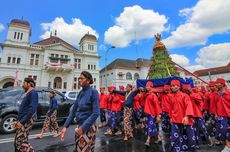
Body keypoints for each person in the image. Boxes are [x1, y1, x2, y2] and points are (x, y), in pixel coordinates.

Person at [61, 71, 100, 152]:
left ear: (88, 80)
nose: (79, 80)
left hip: (88, 127)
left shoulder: (93, 92)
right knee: (77, 149)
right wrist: (65, 127)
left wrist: (83, 128)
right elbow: (73, 111)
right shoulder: (80, 93)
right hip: (80, 126)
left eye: (82, 78)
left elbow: (96, 113)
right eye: (79, 78)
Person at [169, 80, 196, 152]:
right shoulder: (171, 97)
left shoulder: (185, 96)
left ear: (178, 86)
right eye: (171, 86)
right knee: (175, 137)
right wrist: (171, 117)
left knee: (190, 137)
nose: (172, 87)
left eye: (174, 86)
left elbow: (188, 106)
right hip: (175, 120)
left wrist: (187, 116)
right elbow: (171, 108)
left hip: (185, 120)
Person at [13, 77, 38, 152]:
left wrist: (22, 121)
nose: (22, 85)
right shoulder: (27, 93)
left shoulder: (33, 93)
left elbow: (32, 109)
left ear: (29, 84)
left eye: (24, 83)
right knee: (19, 139)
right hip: (23, 118)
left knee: (20, 141)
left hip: (28, 118)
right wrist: (18, 121)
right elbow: (23, 108)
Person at [182, 84, 210, 148]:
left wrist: (192, 94)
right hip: (189, 115)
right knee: (194, 130)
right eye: (185, 90)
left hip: (197, 114)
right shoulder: (184, 96)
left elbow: (200, 102)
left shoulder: (195, 95)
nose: (186, 91)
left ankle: (208, 139)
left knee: (202, 128)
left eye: (187, 89)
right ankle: (197, 143)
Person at [144, 81, 162, 147]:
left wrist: (158, 115)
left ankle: (148, 140)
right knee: (153, 126)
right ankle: (159, 138)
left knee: (150, 126)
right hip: (148, 113)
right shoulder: (147, 94)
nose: (146, 87)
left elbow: (157, 105)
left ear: (151, 87)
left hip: (152, 113)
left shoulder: (153, 95)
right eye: (146, 86)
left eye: (148, 86)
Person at [215, 78, 230, 152]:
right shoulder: (216, 94)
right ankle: (227, 146)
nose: (216, 84)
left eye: (218, 83)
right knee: (224, 131)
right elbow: (215, 104)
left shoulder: (228, 93)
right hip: (222, 115)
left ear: (222, 84)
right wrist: (216, 113)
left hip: (229, 114)